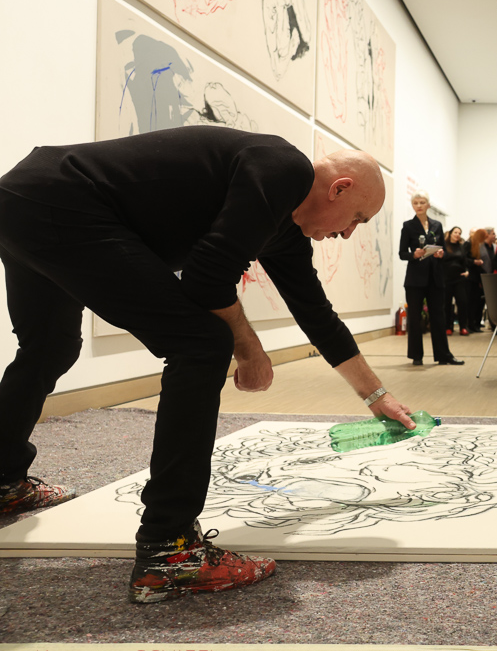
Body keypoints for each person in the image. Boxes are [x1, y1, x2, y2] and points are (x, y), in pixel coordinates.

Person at [0, 126, 416, 603]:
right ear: (338, 189)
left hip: (21, 197)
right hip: (62, 202)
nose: (346, 233)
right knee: (201, 344)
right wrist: (250, 349)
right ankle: (170, 550)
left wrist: (377, 397)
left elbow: (316, 315)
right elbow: (206, 277)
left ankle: (3, 479)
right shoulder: (285, 168)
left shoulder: (283, 224)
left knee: (49, 347)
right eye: (357, 218)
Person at [400, 193, 463, 367]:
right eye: (415, 203)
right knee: (414, 317)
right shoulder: (408, 226)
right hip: (415, 279)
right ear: (412, 205)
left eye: (422, 202)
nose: (419, 205)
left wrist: (441, 254)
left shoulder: (437, 225)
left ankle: (444, 355)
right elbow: (402, 253)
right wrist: (414, 254)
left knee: (439, 317)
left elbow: (444, 250)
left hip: (435, 277)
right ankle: (416, 355)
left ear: (428, 205)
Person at [442, 226, 470, 336]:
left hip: (459, 278)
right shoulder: (444, 246)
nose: (457, 235)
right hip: (446, 278)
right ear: (450, 234)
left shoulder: (461, 247)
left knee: (462, 302)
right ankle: (448, 327)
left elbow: (465, 262)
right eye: (455, 232)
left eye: (459, 233)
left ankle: (463, 326)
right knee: (447, 304)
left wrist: (467, 271)